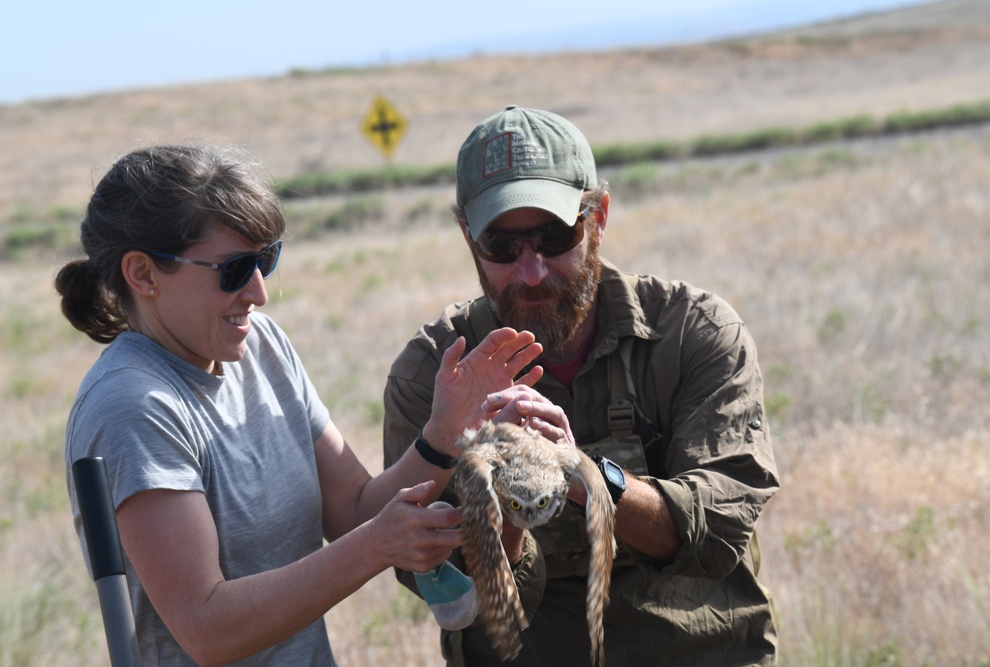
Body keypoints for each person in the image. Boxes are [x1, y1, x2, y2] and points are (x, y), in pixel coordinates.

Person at [57, 143, 551, 666]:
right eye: (234, 269)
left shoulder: (260, 345)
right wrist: (375, 547)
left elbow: (357, 510)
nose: (259, 292)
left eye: (266, 260)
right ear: (143, 275)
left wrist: (444, 433)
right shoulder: (133, 406)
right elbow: (207, 628)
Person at [382, 105, 781, 666]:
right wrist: (495, 490)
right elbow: (447, 590)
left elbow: (716, 531)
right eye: (502, 245)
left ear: (599, 217)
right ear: (468, 237)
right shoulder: (432, 376)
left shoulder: (693, 334)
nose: (532, 270)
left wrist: (582, 472)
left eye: (555, 236)